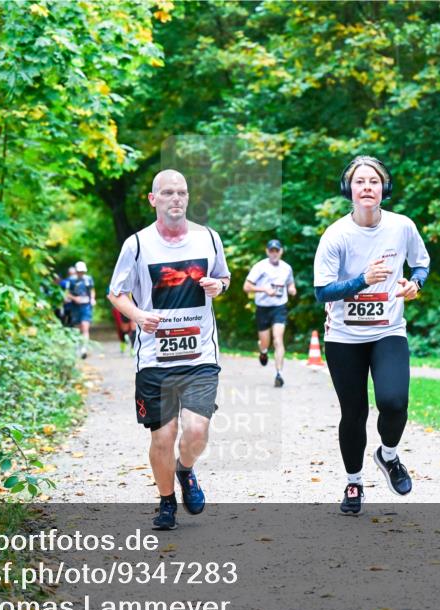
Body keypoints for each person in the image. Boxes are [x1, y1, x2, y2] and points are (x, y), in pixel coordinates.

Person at [107, 169, 231, 530]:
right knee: (163, 435)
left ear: (188, 198)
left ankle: (186, 470)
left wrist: (218, 287)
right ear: (153, 199)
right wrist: (138, 315)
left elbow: (224, 277)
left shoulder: (208, 238)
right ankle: (166, 503)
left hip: (199, 355)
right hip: (155, 358)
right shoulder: (138, 244)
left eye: (182, 192)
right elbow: (116, 292)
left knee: (196, 431)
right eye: (168, 193)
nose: (176, 199)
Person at [313, 155, 431, 515]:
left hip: (388, 330)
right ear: (349, 189)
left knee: (394, 402)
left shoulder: (402, 227)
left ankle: (389, 456)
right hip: (344, 337)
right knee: (354, 412)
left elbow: (421, 263)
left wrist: (415, 284)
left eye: (374, 181)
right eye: (360, 181)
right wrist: (362, 280)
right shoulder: (336, 235)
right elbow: (322, 292)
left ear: (384, 189)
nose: (367, 187)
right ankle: (354, 482)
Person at [243, 239, 296, 387]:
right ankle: (263, 351)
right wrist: (264, 289)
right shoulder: (260, 267)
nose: (274, 253)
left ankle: (279, 374)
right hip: (263, 308)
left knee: (278, 340)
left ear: (281, 252)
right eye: (271, 250)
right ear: (267, 251)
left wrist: (292, 289)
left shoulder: (287, 268)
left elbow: (290, 283)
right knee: (265, 342)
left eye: (276, 250)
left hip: (279, 307)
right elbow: (246, 287)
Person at [66, 261, 95, 359]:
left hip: (86, 306)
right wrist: (75, 299)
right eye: (79, 271)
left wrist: (92, 299)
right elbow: (67, 293)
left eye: (82, 271)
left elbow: (91, 290)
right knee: (77, 328)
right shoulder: (71, 281)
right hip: (75, 307)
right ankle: (77, 348)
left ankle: (84, 349)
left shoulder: (88, 279)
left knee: (85, 326)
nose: (81, 273)